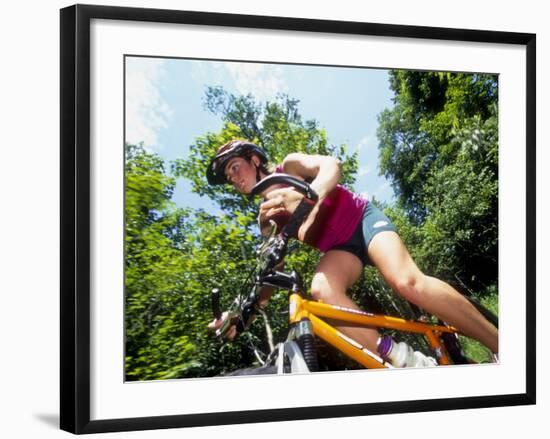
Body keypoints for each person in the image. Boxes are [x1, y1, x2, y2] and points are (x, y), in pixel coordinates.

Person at [206, 139, 498, 367]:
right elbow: (271, 272)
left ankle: (502, 345)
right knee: (321, 289)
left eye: (234, 167)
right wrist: (242, 317)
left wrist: (311, 196)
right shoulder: (266, 217)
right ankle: (403, 359)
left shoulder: (290, 167)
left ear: (254, 159)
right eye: (228, 176)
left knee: (407, 282)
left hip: (362, 220)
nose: (232, 178)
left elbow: (332, 165)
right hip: (341, 250)